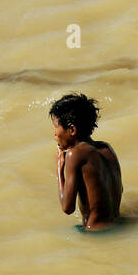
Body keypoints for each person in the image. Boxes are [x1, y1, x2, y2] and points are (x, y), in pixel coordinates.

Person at [50, 93, 122, 231]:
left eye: (56, 127)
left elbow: (67, 208)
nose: (54, 133)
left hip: (95, 233)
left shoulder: (75, 154)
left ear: (72, 130)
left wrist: (59, 168)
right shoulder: (106, 148)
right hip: (117, 225)